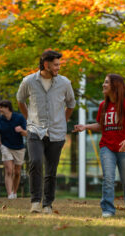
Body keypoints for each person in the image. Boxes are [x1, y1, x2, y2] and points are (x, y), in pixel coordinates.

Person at [74, 74, 125, 218]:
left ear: (115, 85)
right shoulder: (103, 105)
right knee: (108, 178)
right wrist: (85, 126)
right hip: (107, 147)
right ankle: (108, 210)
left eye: (106, 83)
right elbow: (101, 125)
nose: (103, 85)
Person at [17, 49, 76, 214]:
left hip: (57, 132)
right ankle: (35, 201)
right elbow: (20, 100)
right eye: (55, 64)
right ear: (46, 64)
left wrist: (63, 120)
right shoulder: (28, 81)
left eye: (59, 64)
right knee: (35, 162)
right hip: (35, 129)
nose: (58, 67)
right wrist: (28, 117)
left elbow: (71, 104)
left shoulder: (65, 83)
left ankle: (47, 204)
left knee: (51, 170)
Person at [0, 100, 27, 199]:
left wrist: (21, 130)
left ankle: (15, 192)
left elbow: (26, 133)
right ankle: (9, 194)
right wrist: (0, 145)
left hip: (19, 147)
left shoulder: (19, 118)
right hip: (6, 147)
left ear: (7, 107)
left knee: (17, 172)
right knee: (9, 170)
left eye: (1, 108)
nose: (0, 110)